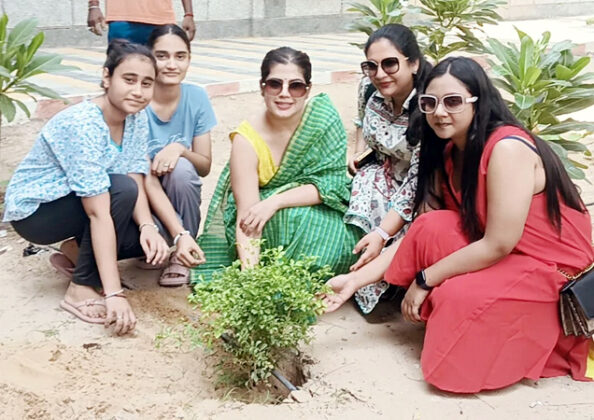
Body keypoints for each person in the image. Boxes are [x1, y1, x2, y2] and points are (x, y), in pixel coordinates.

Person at [325, 56, 594, 392]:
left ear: (478, 101)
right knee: (430, 227)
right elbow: (419, 233)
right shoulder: (451, 152)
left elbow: (498, 243)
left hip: (556, 272)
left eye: (453, 101)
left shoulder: (507, 149)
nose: (439, 112)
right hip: (510, 255)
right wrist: (354, 280)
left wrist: (425, 280)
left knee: (454, 296)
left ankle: (534, 332)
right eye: (429, 102)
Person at [2, 40, 200, 334]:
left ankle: (76, 250)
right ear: (107, 77)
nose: (138, 91)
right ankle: (81, 287)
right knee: (120, 191)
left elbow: (136, 175)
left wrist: (156, 229)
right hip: (37, 213)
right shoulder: (83, 123)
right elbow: (102, 209)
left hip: (83, 201)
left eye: (147, 83)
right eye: (129, 79)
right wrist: (114, 294)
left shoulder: (135, 117)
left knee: (147, 238)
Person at [191, 47, 361, 283]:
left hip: (320, 211)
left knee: (316, 227)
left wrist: (275, 201)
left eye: (295, 86)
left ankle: (307, 278)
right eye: (275, 84)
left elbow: (332, 184)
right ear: (262, 87)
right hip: (267, 223)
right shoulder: (246, 139)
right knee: (280, 219)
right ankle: (274, 279)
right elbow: (247, 212)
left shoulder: (322, 119)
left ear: (307, 89)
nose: (284, 93)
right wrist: (252, 281)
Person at [344, 24, 432, 314]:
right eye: (372, 65)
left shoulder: (429, 105)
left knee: (406, 217)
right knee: (366, 180)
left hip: (426, 185)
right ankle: (368, 280)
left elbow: (418, 179)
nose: (380, 73)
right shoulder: (369, 89)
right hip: (387, 171)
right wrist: (360, 153)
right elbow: (363, 126)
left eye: (390, 63)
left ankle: (386, 281)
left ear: (413, 63)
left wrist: (383, 232)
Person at [142, 24, 216, 286]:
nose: (171, 64)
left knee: (183, 170)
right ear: (148, 57)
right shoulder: (137, 99)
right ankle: (159, 240)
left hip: (177, 192)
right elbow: (138, 176)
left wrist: (180, 149)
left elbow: (204, 166)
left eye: (180, 56)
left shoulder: (196, 97)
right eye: (162, 56)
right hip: (140, 195)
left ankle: (183, 251)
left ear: (189, 59)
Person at [87, 0, 196, 44]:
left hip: (161, 20)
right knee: (122, 73)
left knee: (161, 77)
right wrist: (93, 5)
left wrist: (189, 14)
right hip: (123, 19)